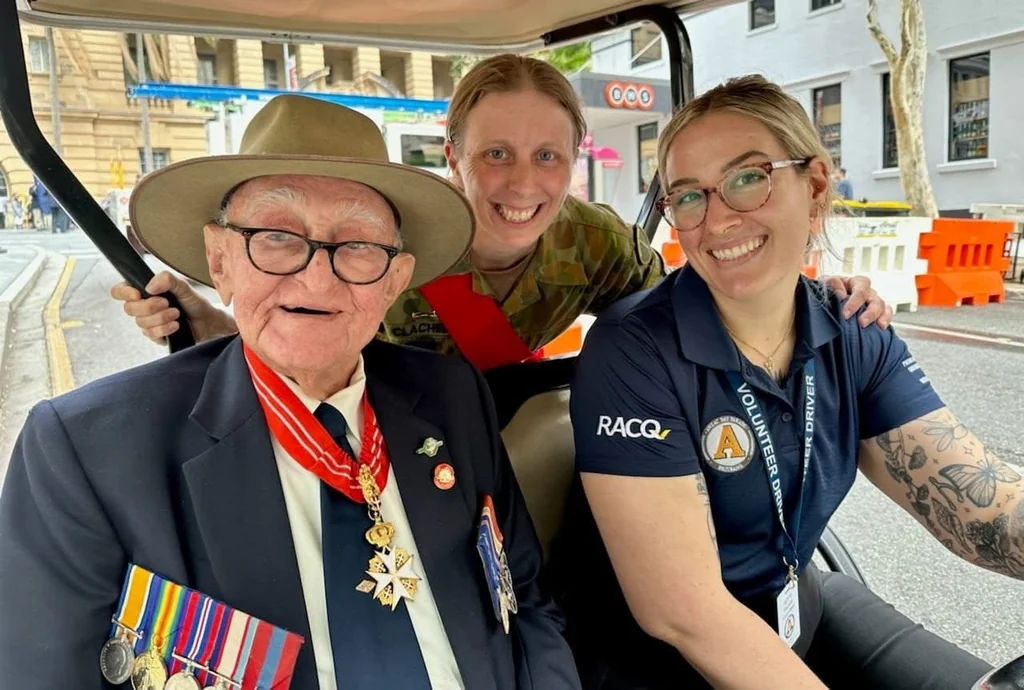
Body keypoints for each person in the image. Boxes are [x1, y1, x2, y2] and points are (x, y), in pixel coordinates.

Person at [0, 94, 580, 689]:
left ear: (395, 280)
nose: (316, 276)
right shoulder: (86, 452)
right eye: (276, 235)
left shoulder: (453, 396)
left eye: (357, 244)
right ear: (219, 259)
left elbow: (528, 602)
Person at [555, 75, 1023, 690]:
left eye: (748, 178)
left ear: (816, 183)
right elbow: (685, 612)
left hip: (794, 606)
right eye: (688, 196)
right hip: (655, 659)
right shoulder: (632, 350)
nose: (717, 219)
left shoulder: (854, 329)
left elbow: (979, 505)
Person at [110, 55, 891, 371]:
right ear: (453, 156)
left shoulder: (592, 241)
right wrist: (202, 320)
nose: (524, 183)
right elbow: (296, 350)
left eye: (548, 155)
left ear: (576, 161)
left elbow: (687, 311)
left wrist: (817, 297)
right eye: (496, 154)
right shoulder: (385, 248)